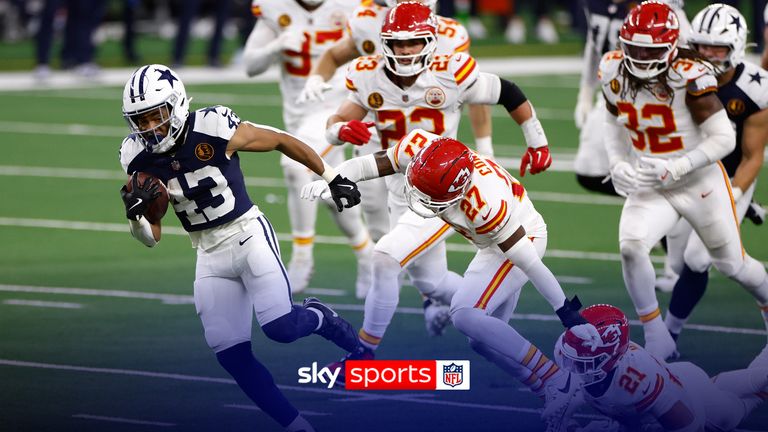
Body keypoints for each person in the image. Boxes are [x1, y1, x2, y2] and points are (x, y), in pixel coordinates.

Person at [118, 64, 364, 432]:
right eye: (141, 120)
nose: (150, 127)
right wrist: (137, 218)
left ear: (177, 104)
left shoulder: (213, 127)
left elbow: (281, 138)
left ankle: (322, 319)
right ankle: (296, 425)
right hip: (207, 253)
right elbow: (152, 238)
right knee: (231, 354)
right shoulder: (135, 155)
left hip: (247, 234)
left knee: (281, 327)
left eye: (157, 115)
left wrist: (332, 176)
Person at [302, 129, 601, 427]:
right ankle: (551, 391)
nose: (420, 200)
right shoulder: (421, 148)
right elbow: (368, 165)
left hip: (522, 240)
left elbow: (531, 263)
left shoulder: (486, 203)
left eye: (429, 197)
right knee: (482, 341)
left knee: (464, 314)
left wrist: (567, 312)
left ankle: (559, 380)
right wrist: (333, 178)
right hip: (490, 244)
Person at [316, 1, 554, 368]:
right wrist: (338, 129)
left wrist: (536, 140)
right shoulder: (367, 75)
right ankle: (490, 313)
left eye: (414, 43)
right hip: (399, 188)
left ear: (430, 41)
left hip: (442, 191)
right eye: (398, 43)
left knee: (384, 259)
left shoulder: (451, 72)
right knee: (431, 282)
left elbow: (508, 91)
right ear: (385, 44)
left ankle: (361, 356)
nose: (406, 50)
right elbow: (341, 117)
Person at [600, 0, 768, 361]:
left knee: (730, 264)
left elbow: (724, 139)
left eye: (652, 49)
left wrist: (678, 167)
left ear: (672, 48)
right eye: (635, 47)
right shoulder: (613, 67)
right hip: (651, 181)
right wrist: (616, 163)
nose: (642, 56)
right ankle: (657, 335)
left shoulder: (690, 73)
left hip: (700, 181)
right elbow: (612, 122)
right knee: (631, 245)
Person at [297, 0, 492, 244]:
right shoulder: (368, 21)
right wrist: (316, 79)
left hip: (429, 143)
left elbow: (475, 91)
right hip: (378, 133)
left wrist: (485, 148)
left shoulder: (450, 34)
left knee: (424, 240)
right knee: (378, 226)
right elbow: (335, 55)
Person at [243, 0, 374, 298]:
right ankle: (367, 254)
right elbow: (250, 67)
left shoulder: (353, 6)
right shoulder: (275, 9)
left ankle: (302, 256)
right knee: (333, 191)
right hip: (302, 118)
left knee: (296, 168)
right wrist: (275, 46)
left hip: (343, 109)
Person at [659, 4, 768, 351]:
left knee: (700, 259)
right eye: (701, 46)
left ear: (735, 48)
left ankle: (667, 337)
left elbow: (753, 156)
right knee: (678, 262)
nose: (706, 55)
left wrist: (734, 194)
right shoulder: (679, 75)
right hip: (691, 174)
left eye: (716, 48)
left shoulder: (755, 88)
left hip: (733, 177)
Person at [553, 304, 768, 431]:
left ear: (611, 357)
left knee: (731, 414)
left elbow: (690, 427)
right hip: (678, 378)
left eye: (584, 362)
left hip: (689, 399)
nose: (573, 366)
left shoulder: (637, 380)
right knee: (721, 392)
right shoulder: (594, 366)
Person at [574, 0, 690, 197]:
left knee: (656, 169)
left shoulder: (656, 6)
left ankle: (662, 204)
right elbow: (593, 43)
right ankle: (648, 199)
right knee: (588, 171)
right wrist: (585, 91)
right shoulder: (594, 4)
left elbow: (687, 43)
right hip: (615, 90)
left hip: (654, 95)